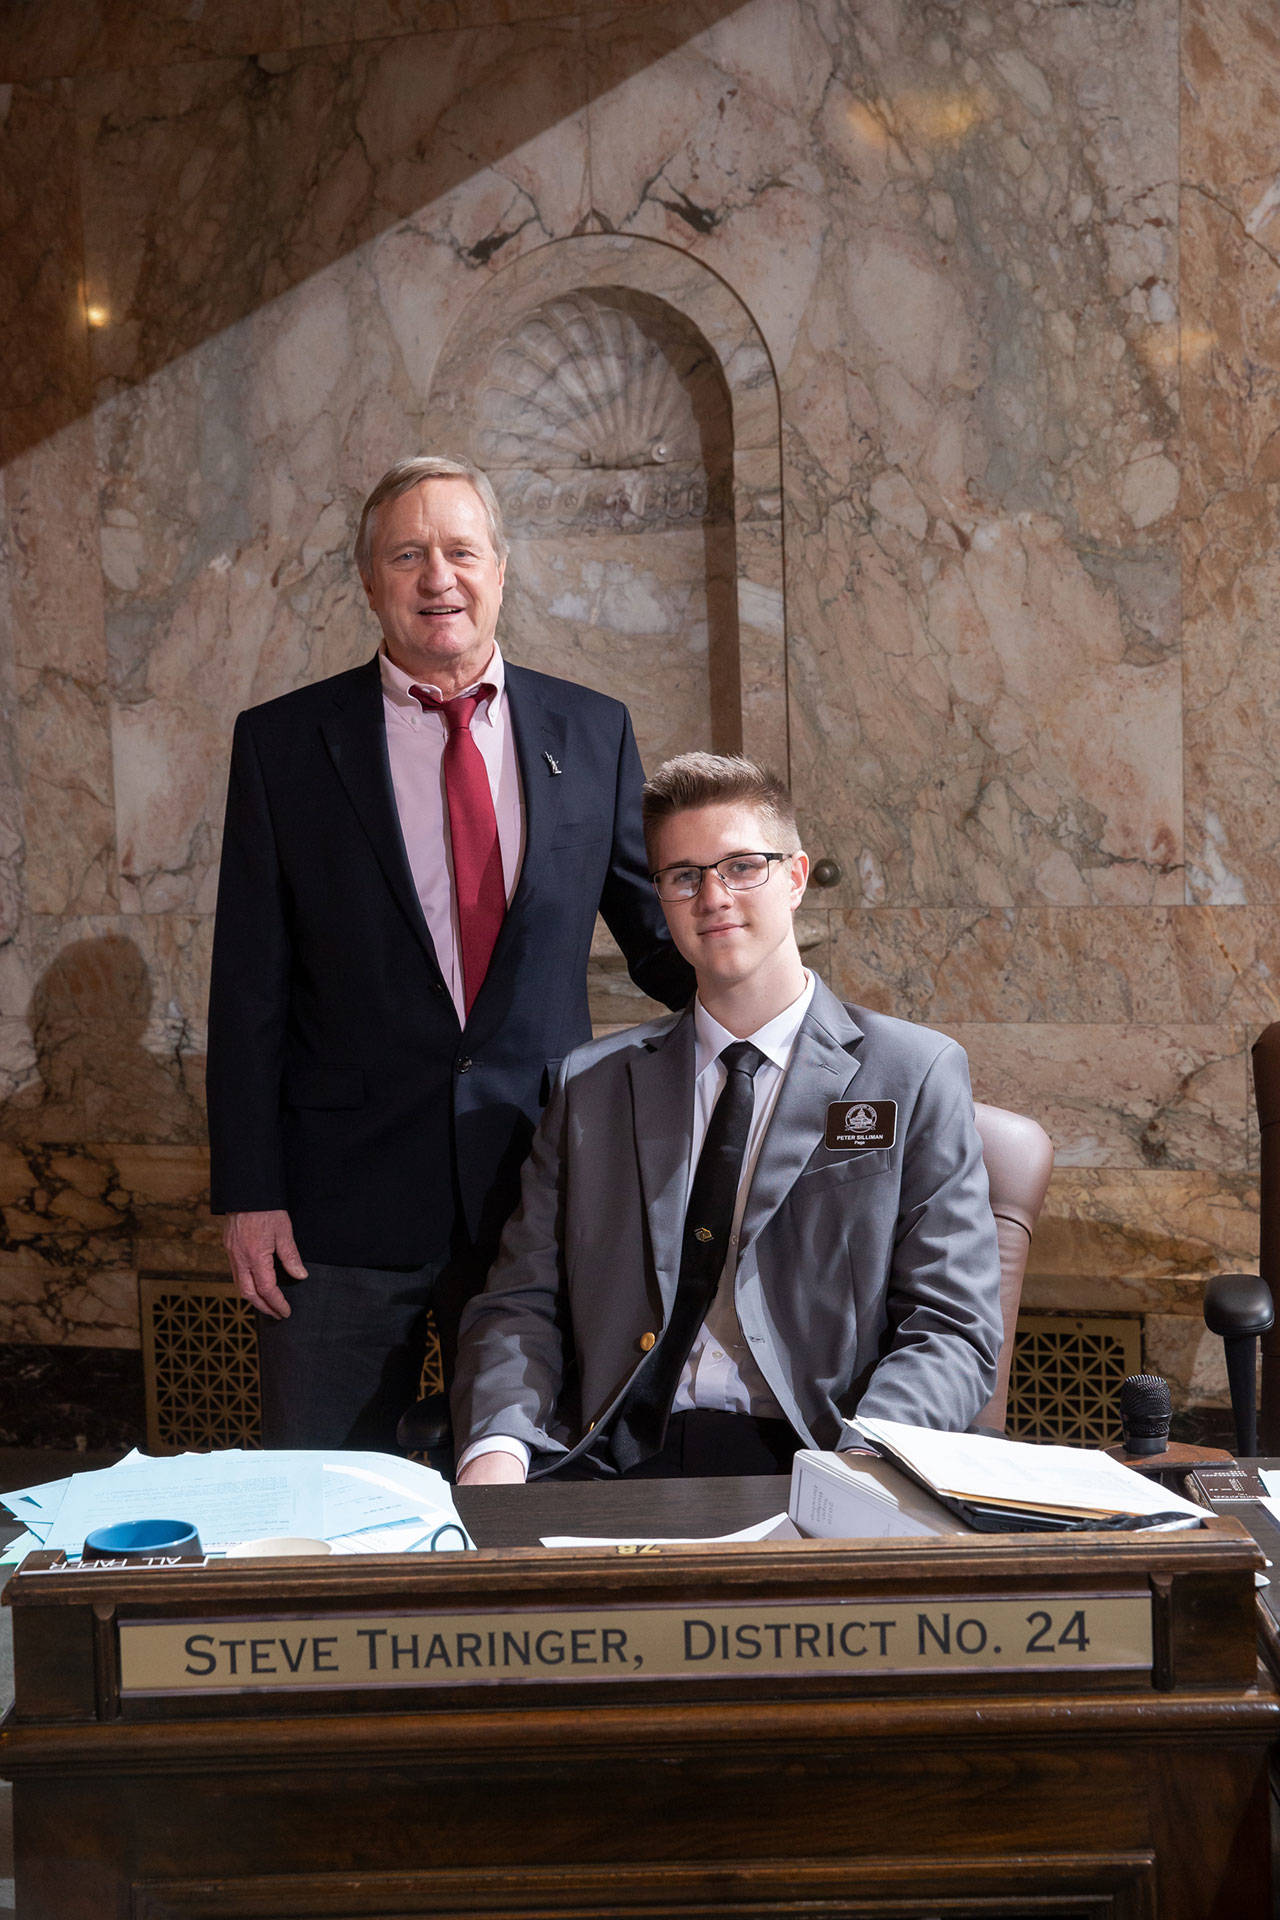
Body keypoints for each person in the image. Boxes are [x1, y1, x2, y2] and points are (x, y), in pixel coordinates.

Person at [206, 455, 694, 1450]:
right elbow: (247, 985)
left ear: (500, 570)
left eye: (461, 550)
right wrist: (249, 1192)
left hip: (538, 1196)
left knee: (531, 1502)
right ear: (369, 580)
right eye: (408, 554)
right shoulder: (286, 744)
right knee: (322, 1506)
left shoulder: (591, 731)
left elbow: (655, 935)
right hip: (336, 1212)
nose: (439, 577)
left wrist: (782, 1024)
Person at [452, 752, 1003, 1482]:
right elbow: (518, 1306)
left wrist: (864, 1468)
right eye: (684, 876)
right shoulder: (592, 1085)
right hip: (611, 1458)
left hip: (818, 1454)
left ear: (797, 877)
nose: (713, 895)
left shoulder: (913, 1073)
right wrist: (496, 1451)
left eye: (743, 866)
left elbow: (951, 1330)